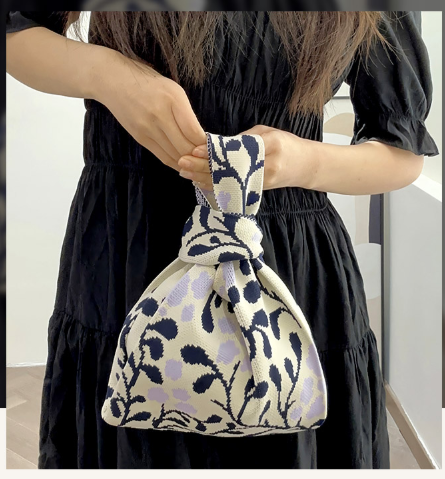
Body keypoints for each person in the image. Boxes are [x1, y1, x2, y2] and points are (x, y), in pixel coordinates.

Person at [6, 10, 438, 469]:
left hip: (284, 265)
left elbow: (402, 152)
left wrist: (300, 161)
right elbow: (15, 29)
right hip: (128, 255)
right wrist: (109, 76)